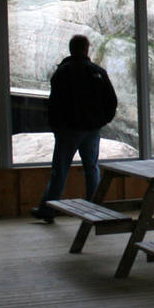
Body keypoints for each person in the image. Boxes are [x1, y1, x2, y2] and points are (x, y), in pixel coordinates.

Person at [31, 34, 119, 221]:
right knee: (92, 168)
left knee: (60, 170)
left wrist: (56, 126)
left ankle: (48, 209)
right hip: (91, 129)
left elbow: (54, 103)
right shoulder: (98, 72)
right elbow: (111, 101)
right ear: (87, 49)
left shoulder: (62, 72)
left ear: (71, 49)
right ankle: (94, 210)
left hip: (68, 130)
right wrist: (101, 122)